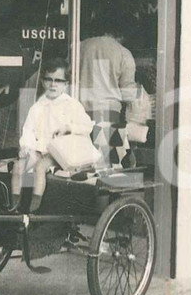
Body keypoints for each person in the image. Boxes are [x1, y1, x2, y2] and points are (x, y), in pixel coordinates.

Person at [11, 59, 93, 213]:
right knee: (18, 166)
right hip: (39, 148)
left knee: (40, 167)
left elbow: (87, 126)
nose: (53, 84)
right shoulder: (37, 107)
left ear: (65, 85)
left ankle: (34, 208)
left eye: (58, 81)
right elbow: (28, 130)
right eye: (49, 79)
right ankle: (14, 206)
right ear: (42, 82)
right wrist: (26, 148)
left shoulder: (71, 105)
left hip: (60, 151)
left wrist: (69, 127)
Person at [78, 12, 138, 166]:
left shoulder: (79, 47)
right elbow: (128, 92)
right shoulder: (123, 52)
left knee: (82, 161)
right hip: (109, 114)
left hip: (79, 113)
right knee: (107, 163)